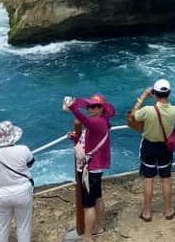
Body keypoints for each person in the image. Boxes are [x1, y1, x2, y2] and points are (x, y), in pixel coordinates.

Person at [65, 94, 115, 242]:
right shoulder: (102, 121)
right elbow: (91, 139)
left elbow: (83, 120)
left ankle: (88, 236)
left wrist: (72, 107)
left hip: (91, 169)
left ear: (101, 109)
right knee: (97, 197)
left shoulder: (97, 122)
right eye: (89, 106)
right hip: (96, 167)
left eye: (94, 106)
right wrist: (75, 138)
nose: (90, 109)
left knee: (88, 204)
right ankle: (99, 226)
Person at [129, 79, 175, 220]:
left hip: (148, 146)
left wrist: (143, 97)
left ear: (154, 94)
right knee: (165, 179)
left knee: (149, 179)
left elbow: (133, 115)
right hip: (165, 148)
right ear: (169, 93)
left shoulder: (147, 111)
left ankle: (147, 212)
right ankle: (168, 210)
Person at [0, 121, 34, 242]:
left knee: (0, 227)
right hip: (22, 192)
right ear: (14, 136)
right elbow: (30, 164)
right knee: (23, 226)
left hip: (1, 195)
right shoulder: (23, 149)